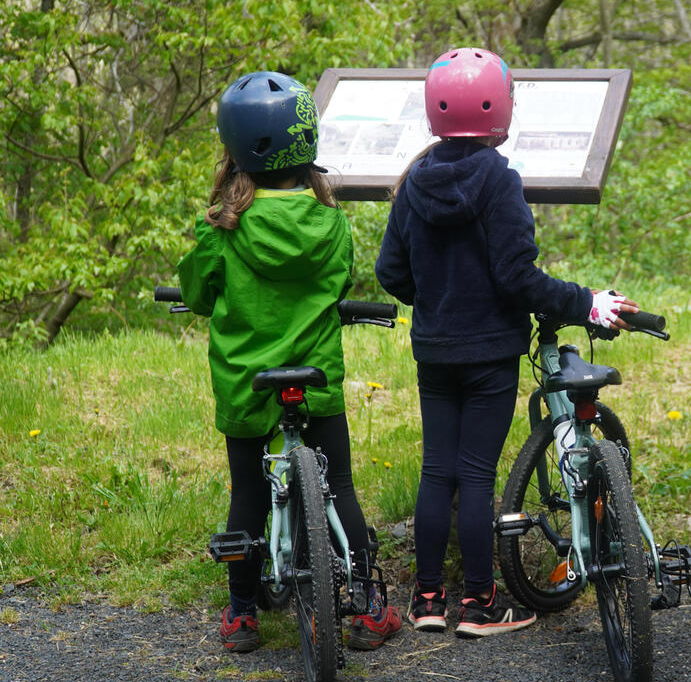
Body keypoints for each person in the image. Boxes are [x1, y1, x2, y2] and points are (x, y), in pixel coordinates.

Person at [374, 47, 637, 638]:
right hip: (490, 353)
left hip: (435, 351)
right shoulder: (500, 180)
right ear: (500, 110)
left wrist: (437, 299)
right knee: (476, 474)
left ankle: (427, 601)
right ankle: (481, 602)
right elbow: (519, 278)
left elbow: (391, 273)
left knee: (436, 471)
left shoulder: (414, 182)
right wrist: (586, 300)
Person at [178, 71, 401, 653]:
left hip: (245, 381)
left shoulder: (222, 229)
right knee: (341, 486)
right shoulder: (331, 224)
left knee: (248, 493)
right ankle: (370, 603)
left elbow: (199, 297)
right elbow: (335, 285)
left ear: (235, 149)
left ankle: (242, 614)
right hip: (314, 377)